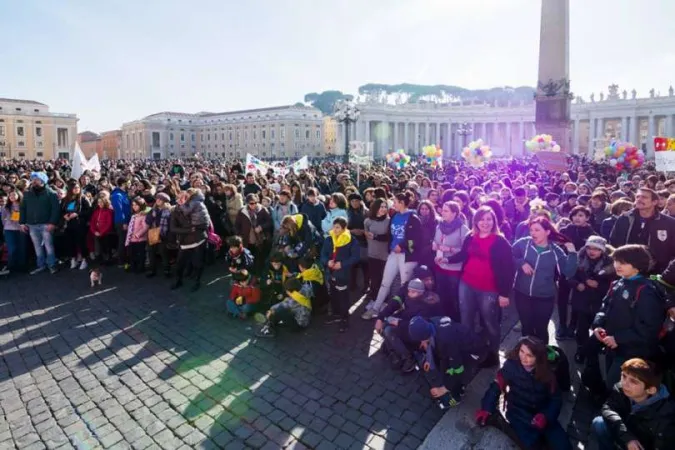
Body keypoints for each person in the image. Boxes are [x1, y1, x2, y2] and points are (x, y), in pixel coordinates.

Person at [582, 244, 665, 393]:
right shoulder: (618, 283)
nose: (617, 265)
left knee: (620, 388)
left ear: (638, 265)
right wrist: (598, 325)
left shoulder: (646, 291)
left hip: (632, 352)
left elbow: (649, 329)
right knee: (611, 383)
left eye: (623, 262)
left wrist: (618, 338)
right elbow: (604, 307)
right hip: (612, 346)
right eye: (616, 261)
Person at [444, 206, 515, 367]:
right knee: (466, 318)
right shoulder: (471, 236)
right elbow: (464, 254)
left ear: (494, 221)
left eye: (489, 219)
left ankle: (493, 353)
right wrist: (447, 260)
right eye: (482, 219)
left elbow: (508, 269)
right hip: (467, 284)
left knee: (490, 322)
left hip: (489, 289)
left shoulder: (500, 242)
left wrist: (504, 294)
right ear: (476, 221)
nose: (485, 223)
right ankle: (467, 347)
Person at [475, 336, 571, 450]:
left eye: (529, 355)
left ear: (538, 358)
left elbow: (556, 399)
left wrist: (546, 417)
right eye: (522, 351)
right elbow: (496, 386)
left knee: (564, 447)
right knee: (532, 446)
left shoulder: (547, 372)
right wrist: (487, 407)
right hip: (519, 413)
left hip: (542, 411)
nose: (523, 358)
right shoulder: (511, 366)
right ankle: (499, 422)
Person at [512, 217, 578, 344]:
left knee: (541, 329)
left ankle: (542, 358)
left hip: (544, 297)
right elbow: (511, 253)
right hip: (522, 293)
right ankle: (527, 357)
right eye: (531, 230)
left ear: (547, 232)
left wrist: (572, 253)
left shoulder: (555, 251)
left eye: (537, 230)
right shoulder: (523, 243)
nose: (533, 233)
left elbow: (568, 272)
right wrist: (521, 263)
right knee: (527, 328)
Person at [591, 358, 675, 450]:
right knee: (599, 423)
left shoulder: (666, 416)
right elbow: (608, 408)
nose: (625, 383)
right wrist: (627, 437)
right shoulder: (621, 389)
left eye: (634, 381)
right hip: (624, 437)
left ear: (651, 390)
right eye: (624, 375)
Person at [364, 192, 422, 320]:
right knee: (385, 282)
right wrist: (376, 236)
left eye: (395, 202)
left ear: (401, 203)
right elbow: (390, 236)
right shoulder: (395, 215)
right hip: (393, 254)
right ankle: (376, 308)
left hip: (407, 257)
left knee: (404, 285)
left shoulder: (413, 218)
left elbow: (417, 239)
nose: (393, 204)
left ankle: (404, 314)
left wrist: (403, 246)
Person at [408, 316, 487, 408]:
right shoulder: (434, 322)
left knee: (453, 372)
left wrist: (445, 388)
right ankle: (454, 386)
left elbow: (458, 368)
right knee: (445, 369)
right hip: (462, 345)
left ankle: (456, 397)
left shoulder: (446, 342)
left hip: (473, 353)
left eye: (421, 339)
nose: (421, 342)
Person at [375, 278, 442, 373]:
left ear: (420, 292)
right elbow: (395, 303)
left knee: (389, 330)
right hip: (407, 321)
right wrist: (380, 317)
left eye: (413, 292)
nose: (409, 293)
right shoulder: (410, 296)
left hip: (416, 332)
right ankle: (393, 348)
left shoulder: (426, 305)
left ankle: (408, 358)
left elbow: (418, 326)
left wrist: (399, 323)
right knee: (385, 323)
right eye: (409, 291)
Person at [610, 187, 675, 274]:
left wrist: (665, 272)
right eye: (637, 197)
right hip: (628, 271)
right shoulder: (624, 219)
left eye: (644, 197)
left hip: (656, 273)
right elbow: (614, 241)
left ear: (654, 202)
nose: (639, 199)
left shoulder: (669, 223)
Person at [571, 236, 614, 363]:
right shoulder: (579, 259)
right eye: (589, 247)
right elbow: (569, 276)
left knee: (599, 328)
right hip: (582, 301)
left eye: (596, 249)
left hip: (600, 303)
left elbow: (614, 284)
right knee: (581, 330)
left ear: (602, 250)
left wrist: (599, 286)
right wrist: (577, 284)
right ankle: (581, 351)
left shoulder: (610, 265)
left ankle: (596, 348)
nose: (592, 251)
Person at [320, 216, 360, 332]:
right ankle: (336, 314)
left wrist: (342, 264)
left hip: (343, 274)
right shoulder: (329, 239)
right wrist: (327, 261)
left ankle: (344, 318)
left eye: (338, 227)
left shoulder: (351, 240)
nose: (335, 230)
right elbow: (323, 254)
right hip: (330, 272)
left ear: (344, 228)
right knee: (333, 294)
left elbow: (355, 257)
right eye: (334, 227)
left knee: (343, 296)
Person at [432, 200, 470, 320]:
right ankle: (445, 320)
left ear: (454, 213)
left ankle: (457, 321)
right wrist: (434, 245)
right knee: (443, 295)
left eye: (446, 211)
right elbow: (436, 241)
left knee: (455, 297)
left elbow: (466, 251)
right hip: (440, 266)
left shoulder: (463, 229)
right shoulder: (439, 226)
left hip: (454, 269)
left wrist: (449, 249)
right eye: (442, 210)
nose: (442, 212)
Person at [20, 172, 61, 275]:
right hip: (32, 225)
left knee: (49, 246)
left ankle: (52, 265)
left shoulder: (51, 193)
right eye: (33, 179)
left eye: (36, 179)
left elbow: (55, 210)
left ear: (43, 180)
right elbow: (23, 208)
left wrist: (52, 223)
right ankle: (41, 265)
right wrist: (22, 222)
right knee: (37, 246)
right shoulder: (27, 194)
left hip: (46, 224)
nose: (34, 181)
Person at [170, 189, 210, 292]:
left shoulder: (195, 207)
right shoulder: (175, 210)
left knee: (198, 263)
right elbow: (173, 228)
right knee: (180, 263)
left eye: (184, 198)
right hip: (185, 241)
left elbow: (205, 223)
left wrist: (196, 229)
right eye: (179, 198)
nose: (181, 200)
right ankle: (178, 280)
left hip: (198, 239)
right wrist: (188, 230)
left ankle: (197, 282)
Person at [235, 194, 273, 273]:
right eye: (252, 203)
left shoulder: (262, 209)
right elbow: (237, 225)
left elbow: (269, 222)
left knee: (259, 258)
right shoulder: (242, 211)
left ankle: (258, 275)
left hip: (260, 239)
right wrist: (239, 235)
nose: (254, 205)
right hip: (246, 239)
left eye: (255, 202)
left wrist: (261, 227)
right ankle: (248, 274)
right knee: (247, 257)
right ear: (247, 203)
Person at [61, 181, 93, 270]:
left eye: (78, 188)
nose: (77, 190)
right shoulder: (65, 199)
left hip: (79, 224)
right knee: (70, 243)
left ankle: (84, 260)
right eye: (75, 188)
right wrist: (64, 215)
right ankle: (73, 259)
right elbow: (62, 210)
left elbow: (89, 211)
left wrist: (77, 214)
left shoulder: (83, 198)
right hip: (68, 224)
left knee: (81, 242)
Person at [364, 198, 391, 303]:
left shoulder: (389, 221)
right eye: (381, 207)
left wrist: (375, 236)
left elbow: (388, 237)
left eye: (385, 207)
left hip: (385, 255)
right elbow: (366, 235)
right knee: (374, 279)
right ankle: (374, 298)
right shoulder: (367, 221)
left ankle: (383, 300)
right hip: (372, 254)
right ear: (375, 208)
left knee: (384, 279)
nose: (383, 209)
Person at [145, 192, 173, 278]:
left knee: (163, 253)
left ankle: (167, 270)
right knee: (151, 252)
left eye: (160, 199)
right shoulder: (153, 210)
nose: (157, 200)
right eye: (157, 198)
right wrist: (152, 216)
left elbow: (170, 224)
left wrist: (168, 236)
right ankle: (152, 270)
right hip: (153, 233)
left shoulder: (169, 211)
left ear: (164, 201)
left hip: (163, 234)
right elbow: (147, 221)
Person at [1, 188, 26, 275]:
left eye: (14, 195)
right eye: (10, 195)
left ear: (18, 195)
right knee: (12, 249)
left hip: (21, 230)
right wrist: (6, 226)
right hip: (9, 230)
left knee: (21, 248)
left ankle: (21, 266)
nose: (12, 196)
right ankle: (11, 266)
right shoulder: (6, 207)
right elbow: (3, 219)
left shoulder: (23, 206)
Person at [125, 197, 150, 274]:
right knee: (132, 254)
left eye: (136, 205)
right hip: (132, 239)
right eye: (133, 205)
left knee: (141, 254)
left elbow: (145, 227)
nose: (134, 206)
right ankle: (133, 267)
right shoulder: (134, 215)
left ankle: (140, 268)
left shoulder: (143, 215)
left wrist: (138, 235)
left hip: (140, 239)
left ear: (141, 206)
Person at [111, 177, 131, 268]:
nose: (130, 184)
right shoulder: (117, 195)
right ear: (123, 183)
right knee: (122, 242)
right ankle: (121, 261)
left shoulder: (123, 194)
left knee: (125, 241)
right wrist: (124, 222)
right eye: (128, 182)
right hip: (121, 222)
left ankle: (126, 259)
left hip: (126, 220)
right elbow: (119, 211)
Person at [89, 194, 115, 264]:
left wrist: (102, 232)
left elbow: (109, 223)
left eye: (101, 202)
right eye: (98, 202)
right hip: (98, 233)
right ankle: (103, 259)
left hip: (106, 233)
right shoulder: (96, 211)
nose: (99, 204)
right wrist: (94, 231)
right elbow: (92, 222)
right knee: (101, 247)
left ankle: (108, 259)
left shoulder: (109, 211)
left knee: (107, 247)